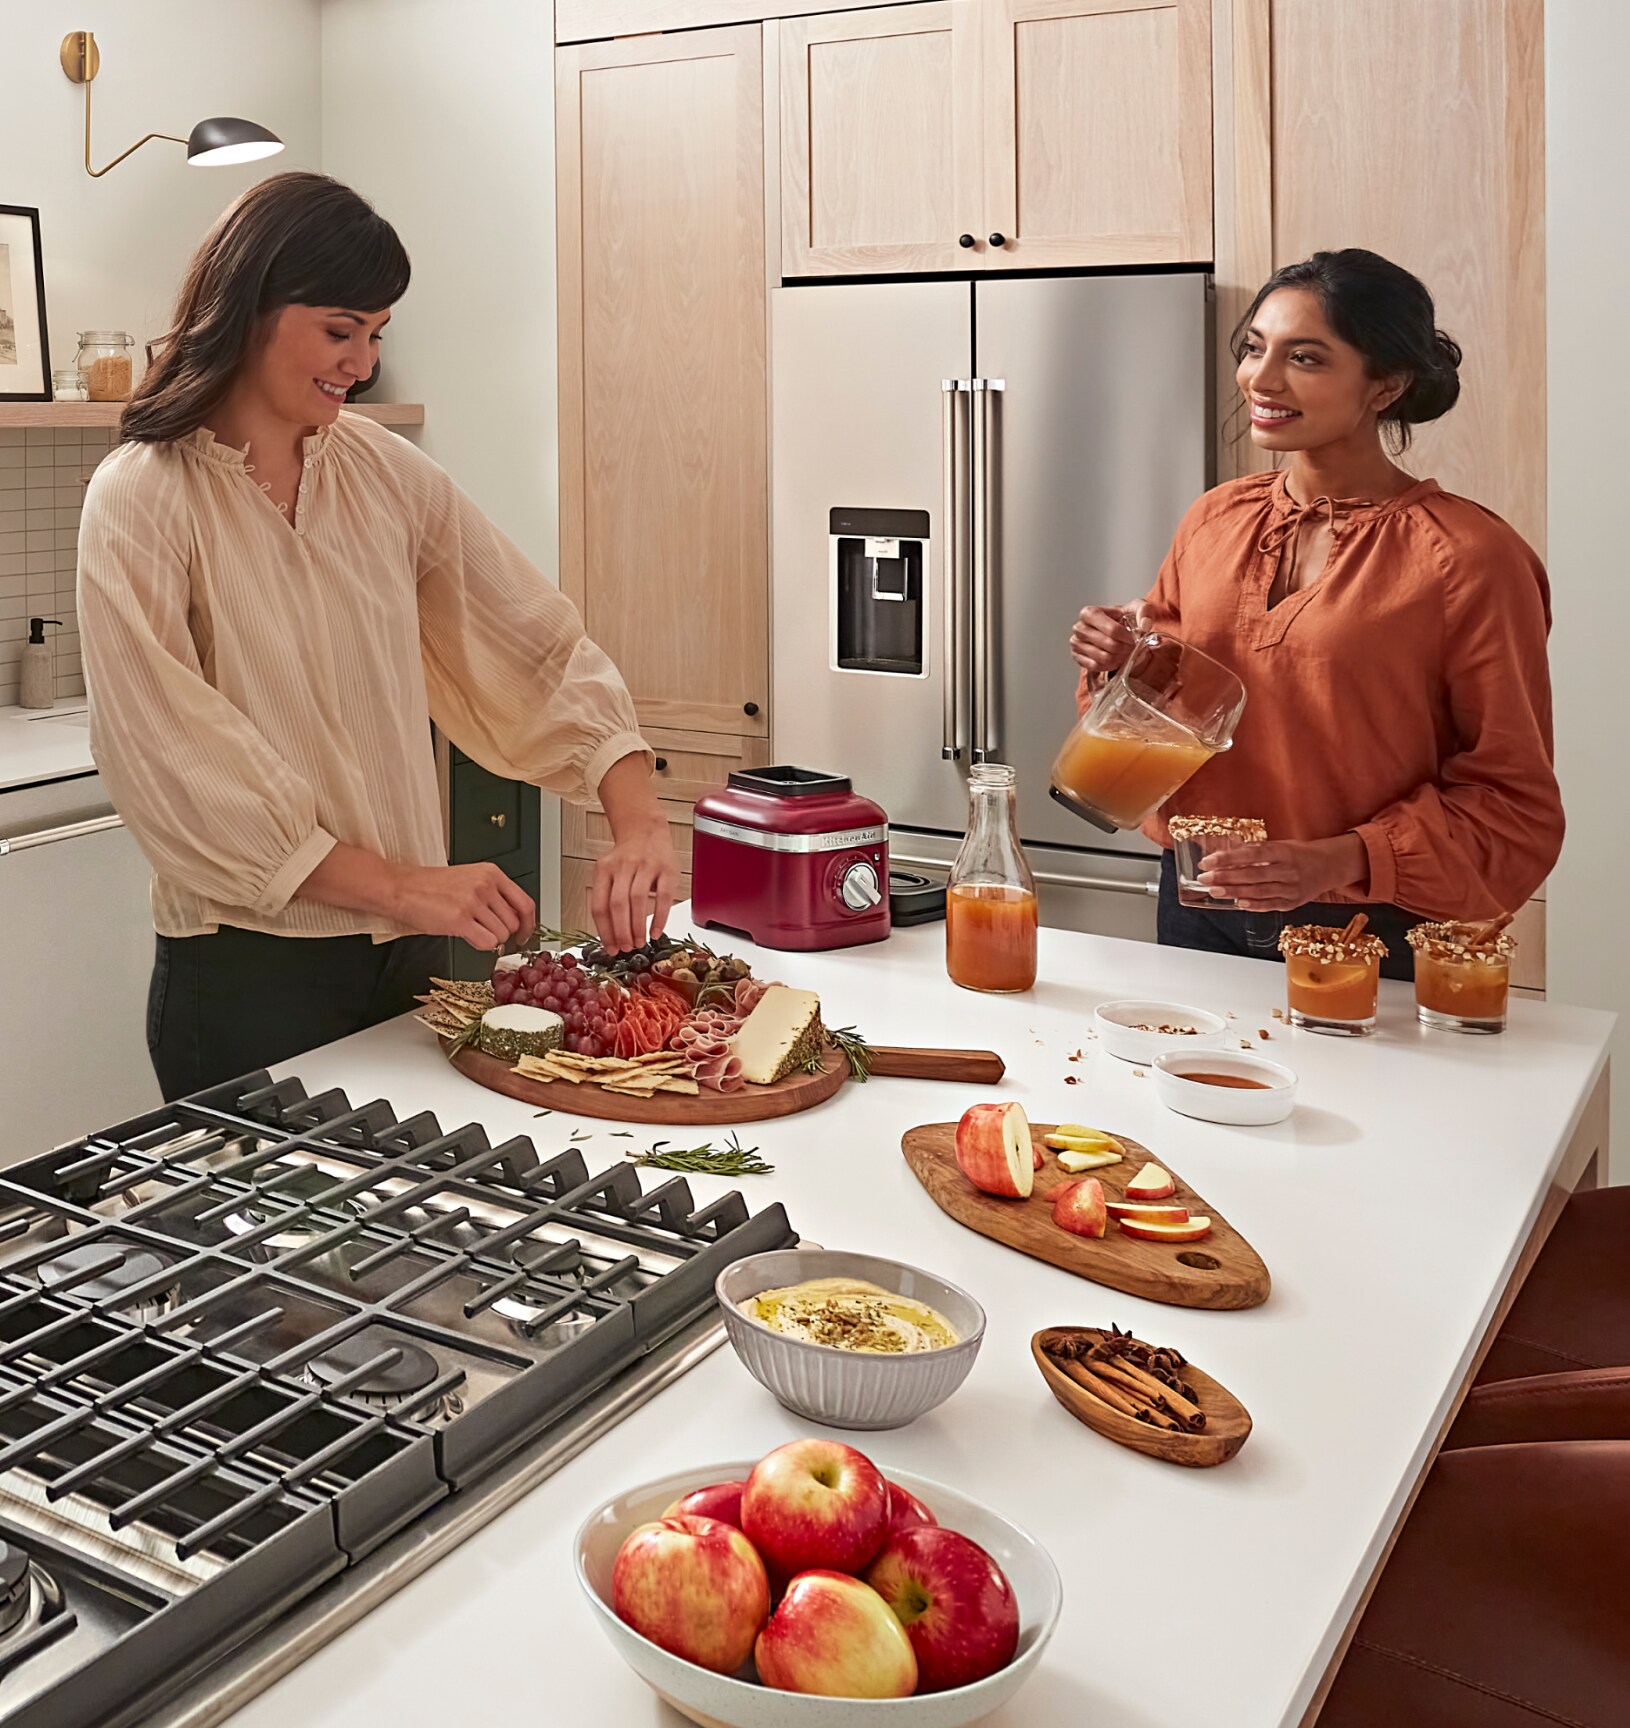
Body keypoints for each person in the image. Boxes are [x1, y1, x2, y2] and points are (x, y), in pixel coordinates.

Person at [78, 172, 678, 1098]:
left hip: (412, 955)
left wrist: (636, 821)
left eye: (375, 335)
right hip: (247, 974)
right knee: (267, 1243)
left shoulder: (383, 472)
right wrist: (405, 884)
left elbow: (531, 641)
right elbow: (177, 766)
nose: (360, 363)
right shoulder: (141, 497)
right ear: (249, 305)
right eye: (338, 330)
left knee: (422, 1233)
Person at [1069, 248, 1563, 975]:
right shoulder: (1215, 520)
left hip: (1373, 926)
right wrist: (1119, 666)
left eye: (1305, 358)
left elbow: (1512, 802)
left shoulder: (1471, 559)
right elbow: (1169, 715)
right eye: (1254, 349)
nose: (1260, 381)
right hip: (1197, 903)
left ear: (1386, 385)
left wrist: (1334, 862)